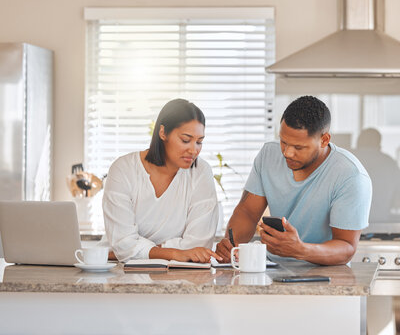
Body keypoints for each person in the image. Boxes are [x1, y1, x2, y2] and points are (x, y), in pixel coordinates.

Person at [215, 96, 372, 265]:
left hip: (325, 273)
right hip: (272, 267)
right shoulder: (268, 155)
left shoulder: (350, 176)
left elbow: (346, 247)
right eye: (283, 142)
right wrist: (231, 245)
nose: (287, 153)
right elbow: (248, 212)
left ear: (324, 140)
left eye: (299, 147)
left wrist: (300, 250)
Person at [102, 99, 221, 263]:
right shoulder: (123, 169)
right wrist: (175, 253)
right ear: (163, 132)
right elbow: (123, 244)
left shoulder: (200, 171)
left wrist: (136, 250)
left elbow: (199, 245)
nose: (194, 150)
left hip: (180, 275)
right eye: (186, 140)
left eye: (199, 142)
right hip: (122, 272)